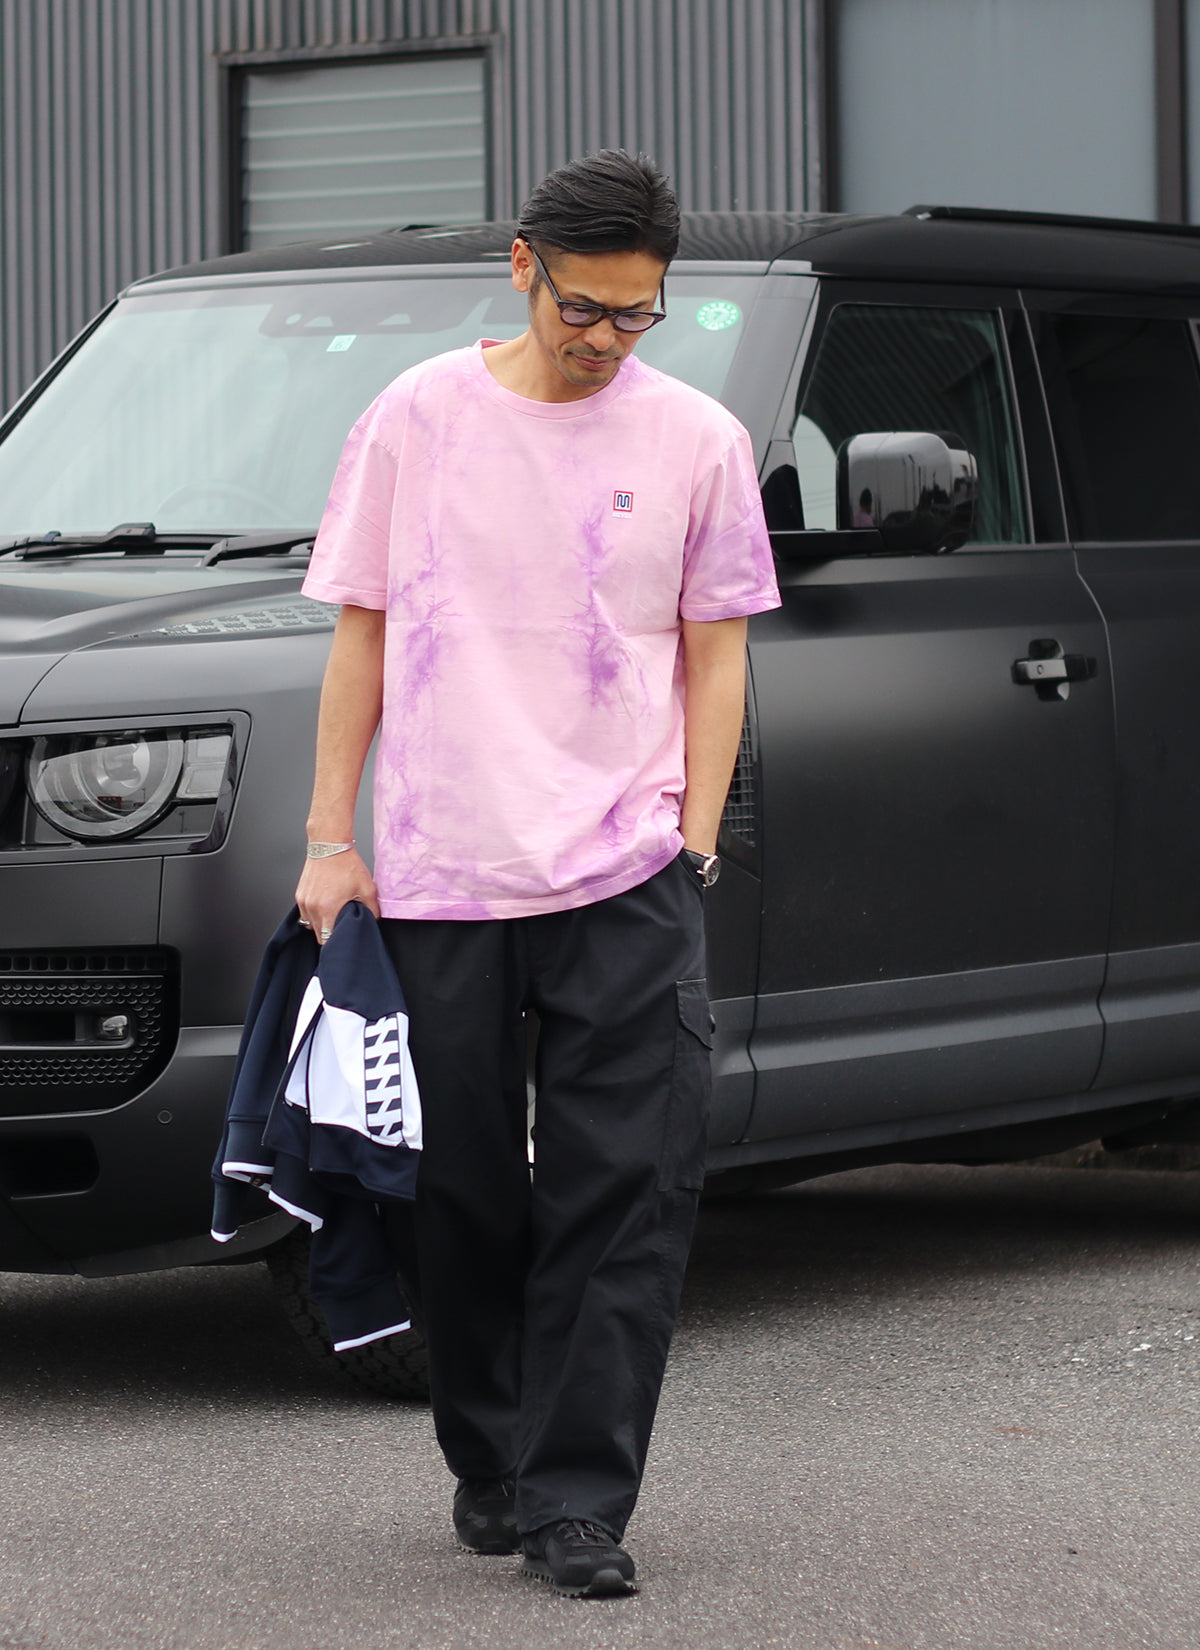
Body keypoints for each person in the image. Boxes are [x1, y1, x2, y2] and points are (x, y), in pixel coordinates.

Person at [295, 149, 780, 1598]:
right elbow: (364, 630)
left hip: (627, 868)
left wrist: (694, 835)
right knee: (455, 1192)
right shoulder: (417, 416)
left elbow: (717, 651)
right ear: (523, 268)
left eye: (639, 313)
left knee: (622, 1190)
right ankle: (491, 1460)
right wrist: (330, 841)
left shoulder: (697, 440)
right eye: (585, 307)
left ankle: (578, 1500)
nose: (608, 338)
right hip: (443, 869)